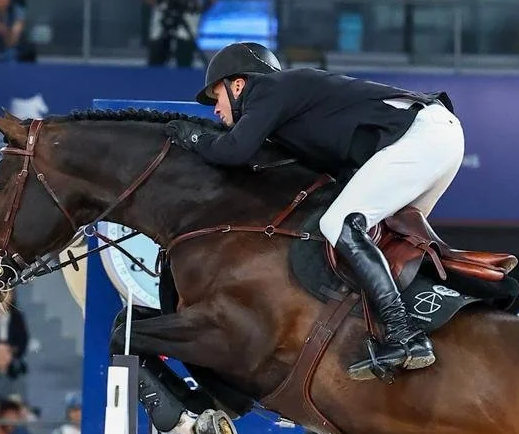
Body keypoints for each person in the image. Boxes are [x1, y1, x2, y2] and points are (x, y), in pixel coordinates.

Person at [171, 41, 460, 381]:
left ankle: (405, 334)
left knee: (340, 222)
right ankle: (420, 327)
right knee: (388, 239)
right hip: (435, 136)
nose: (216, 110)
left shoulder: (267, 88)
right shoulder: (288, 109)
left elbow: (234, 151)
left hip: (422, 136)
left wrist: (193, 140)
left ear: (238, 84)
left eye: (216, 97)